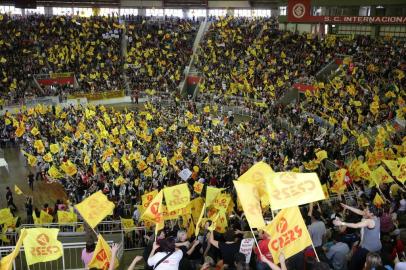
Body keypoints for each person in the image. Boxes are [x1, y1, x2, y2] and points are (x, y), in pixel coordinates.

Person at [334, 204, 382, 270]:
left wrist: (341, 223)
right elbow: (360, 211)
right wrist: (347, 207)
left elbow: (356, 225)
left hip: (368, 248)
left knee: (353, 264)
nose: (364, 210)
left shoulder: (369, 221)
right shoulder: (376, 217)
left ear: (371, 213)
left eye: (366, 209)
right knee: (365, 264)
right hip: (377, 246)